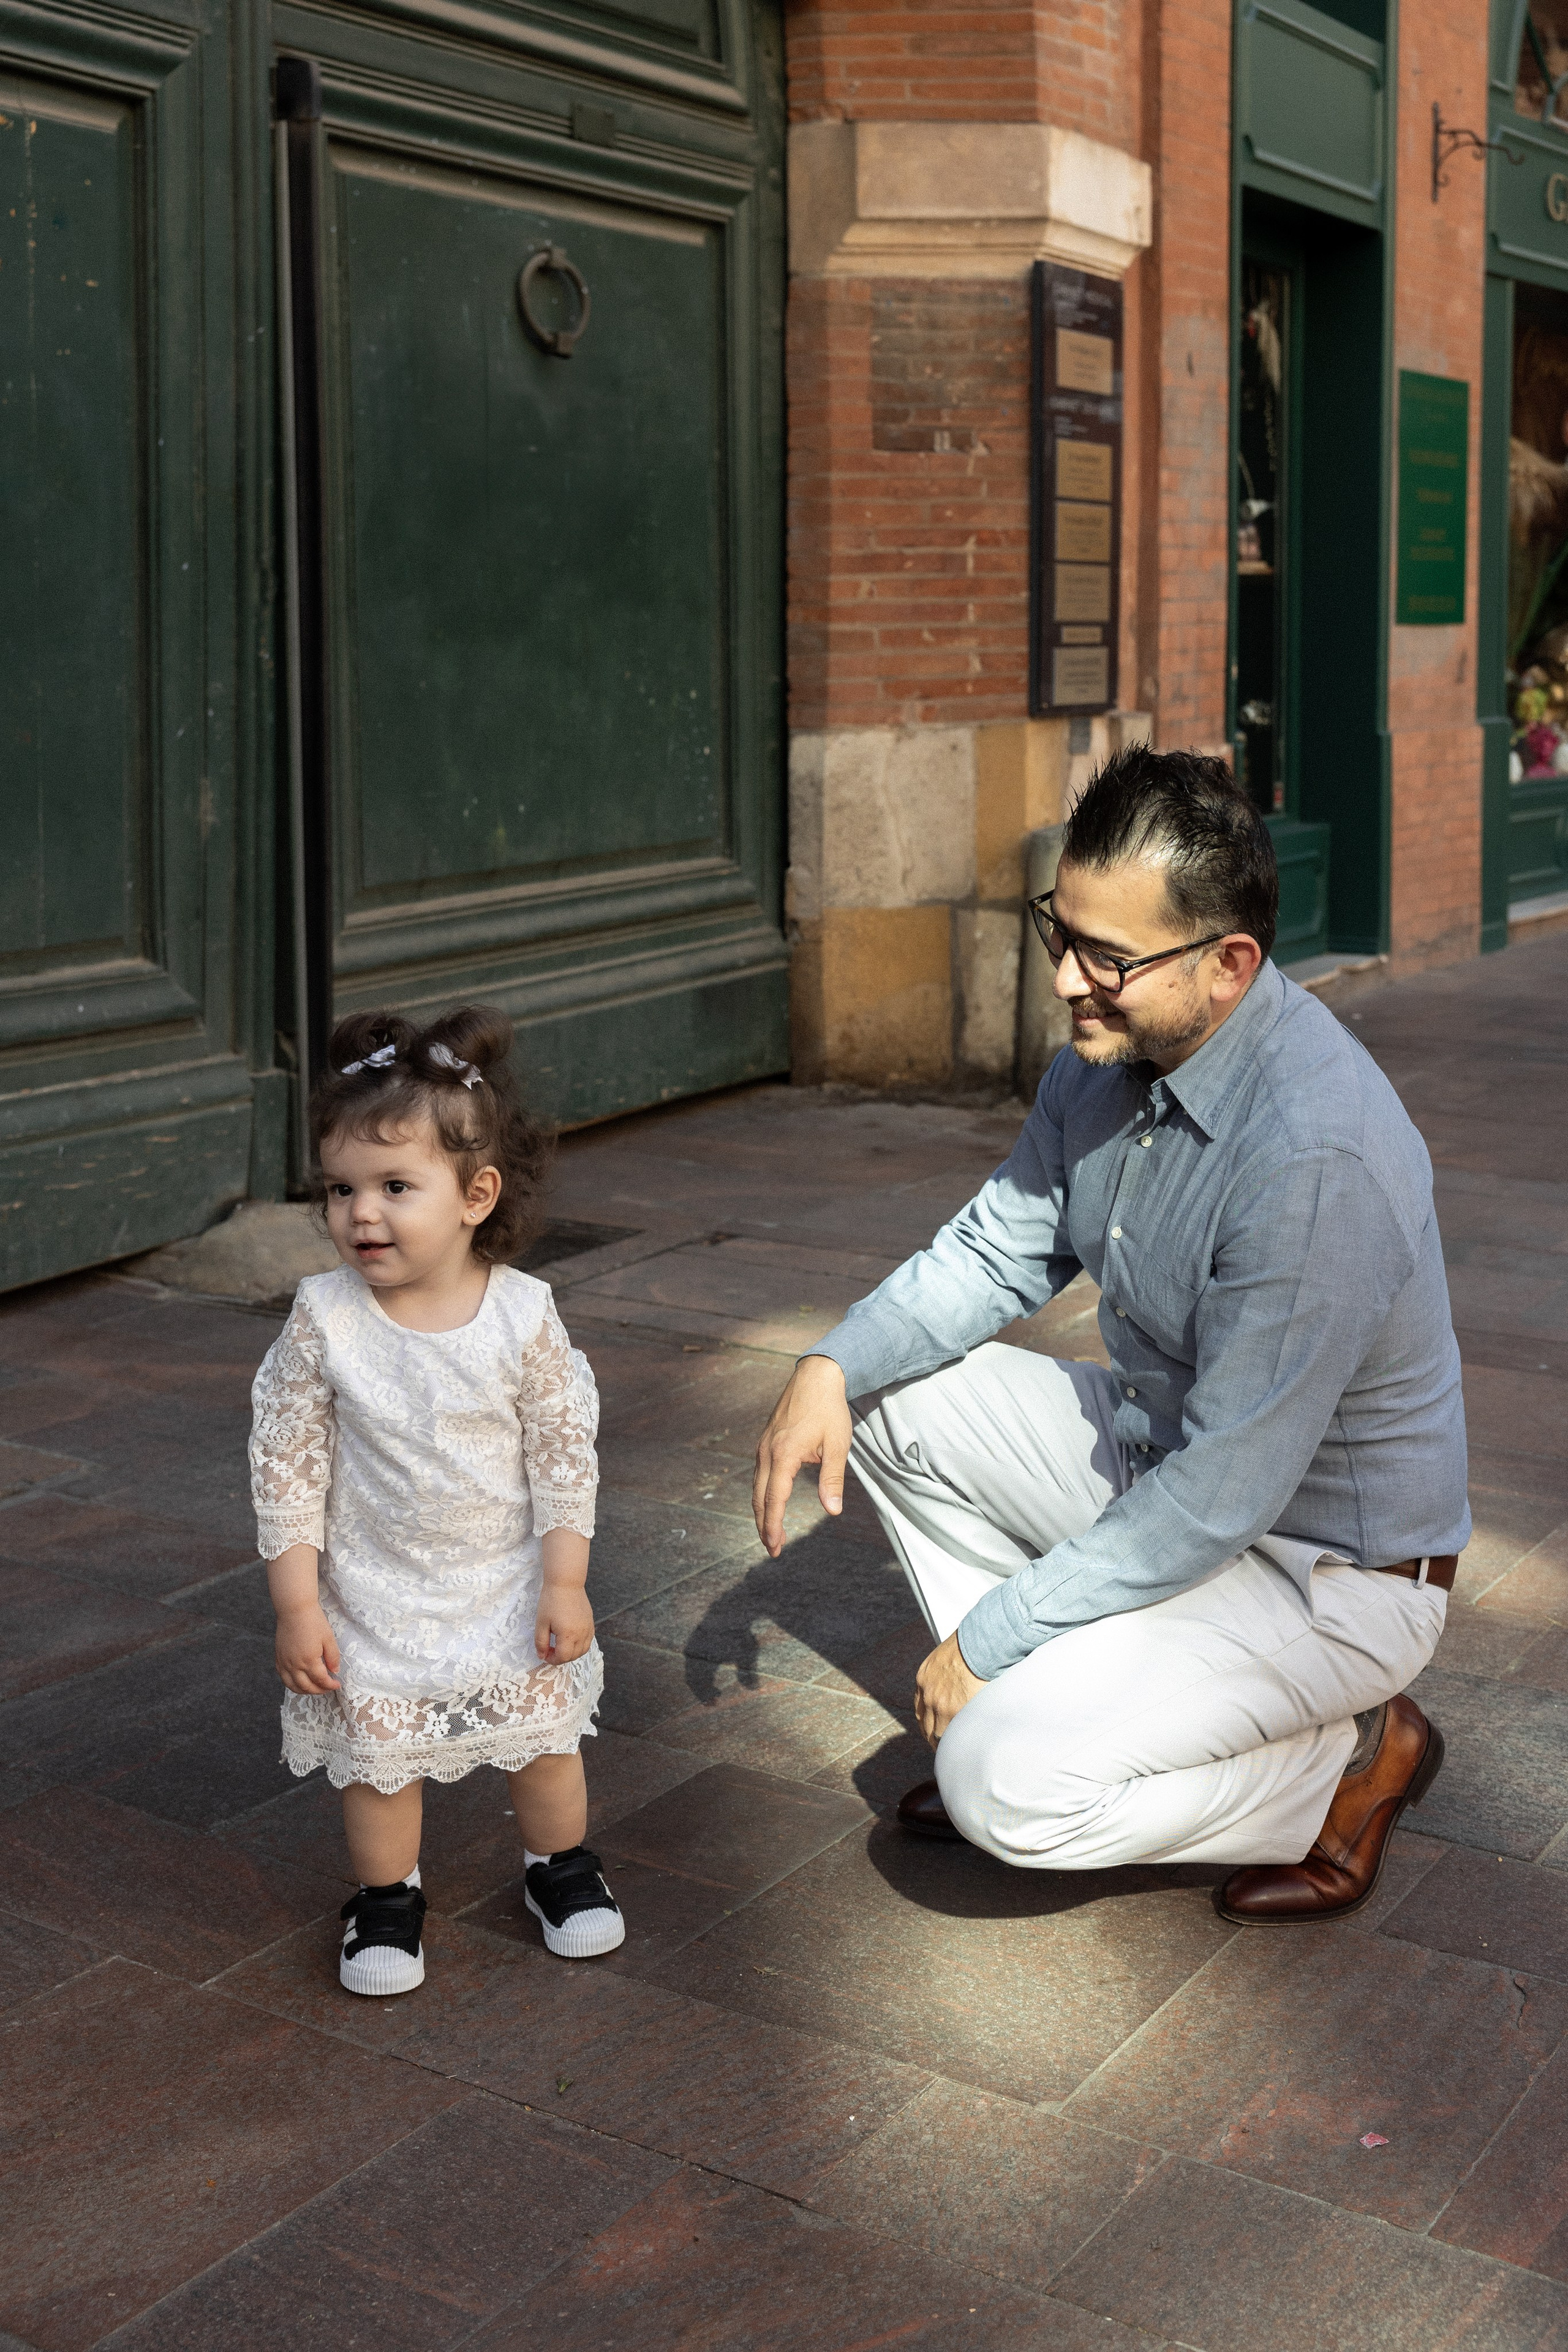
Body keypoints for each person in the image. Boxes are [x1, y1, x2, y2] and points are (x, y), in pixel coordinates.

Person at [753, 747, 1468, 1925]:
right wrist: (829, 1362)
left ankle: (1347, 1761)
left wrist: (993, 1637)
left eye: (1109, 959)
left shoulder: (1314, 1157)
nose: (1068, 982)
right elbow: (994, 1254)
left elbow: (1221, 1498)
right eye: (1061, 933)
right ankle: (1043, 1704)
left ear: (1229, 964)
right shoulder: (1110, 1059)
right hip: (1175, 1476)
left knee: (1004, 1792)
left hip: (1327, 1572)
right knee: (887, 1393)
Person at [249, 1005, 624, 1995]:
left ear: (475, 1194)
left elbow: (562, 1455)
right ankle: (385, 1898)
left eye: (394, 1187)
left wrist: (566, 1581)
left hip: (504, 1583)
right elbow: (286, 1461)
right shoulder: (324, 1319)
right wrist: (298, 1604)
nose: (360, 1214)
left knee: (543, 1743)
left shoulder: (521, 1316)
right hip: (374, 1589)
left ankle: (561, 1866)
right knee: (381, 1760)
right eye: (341, 1189)